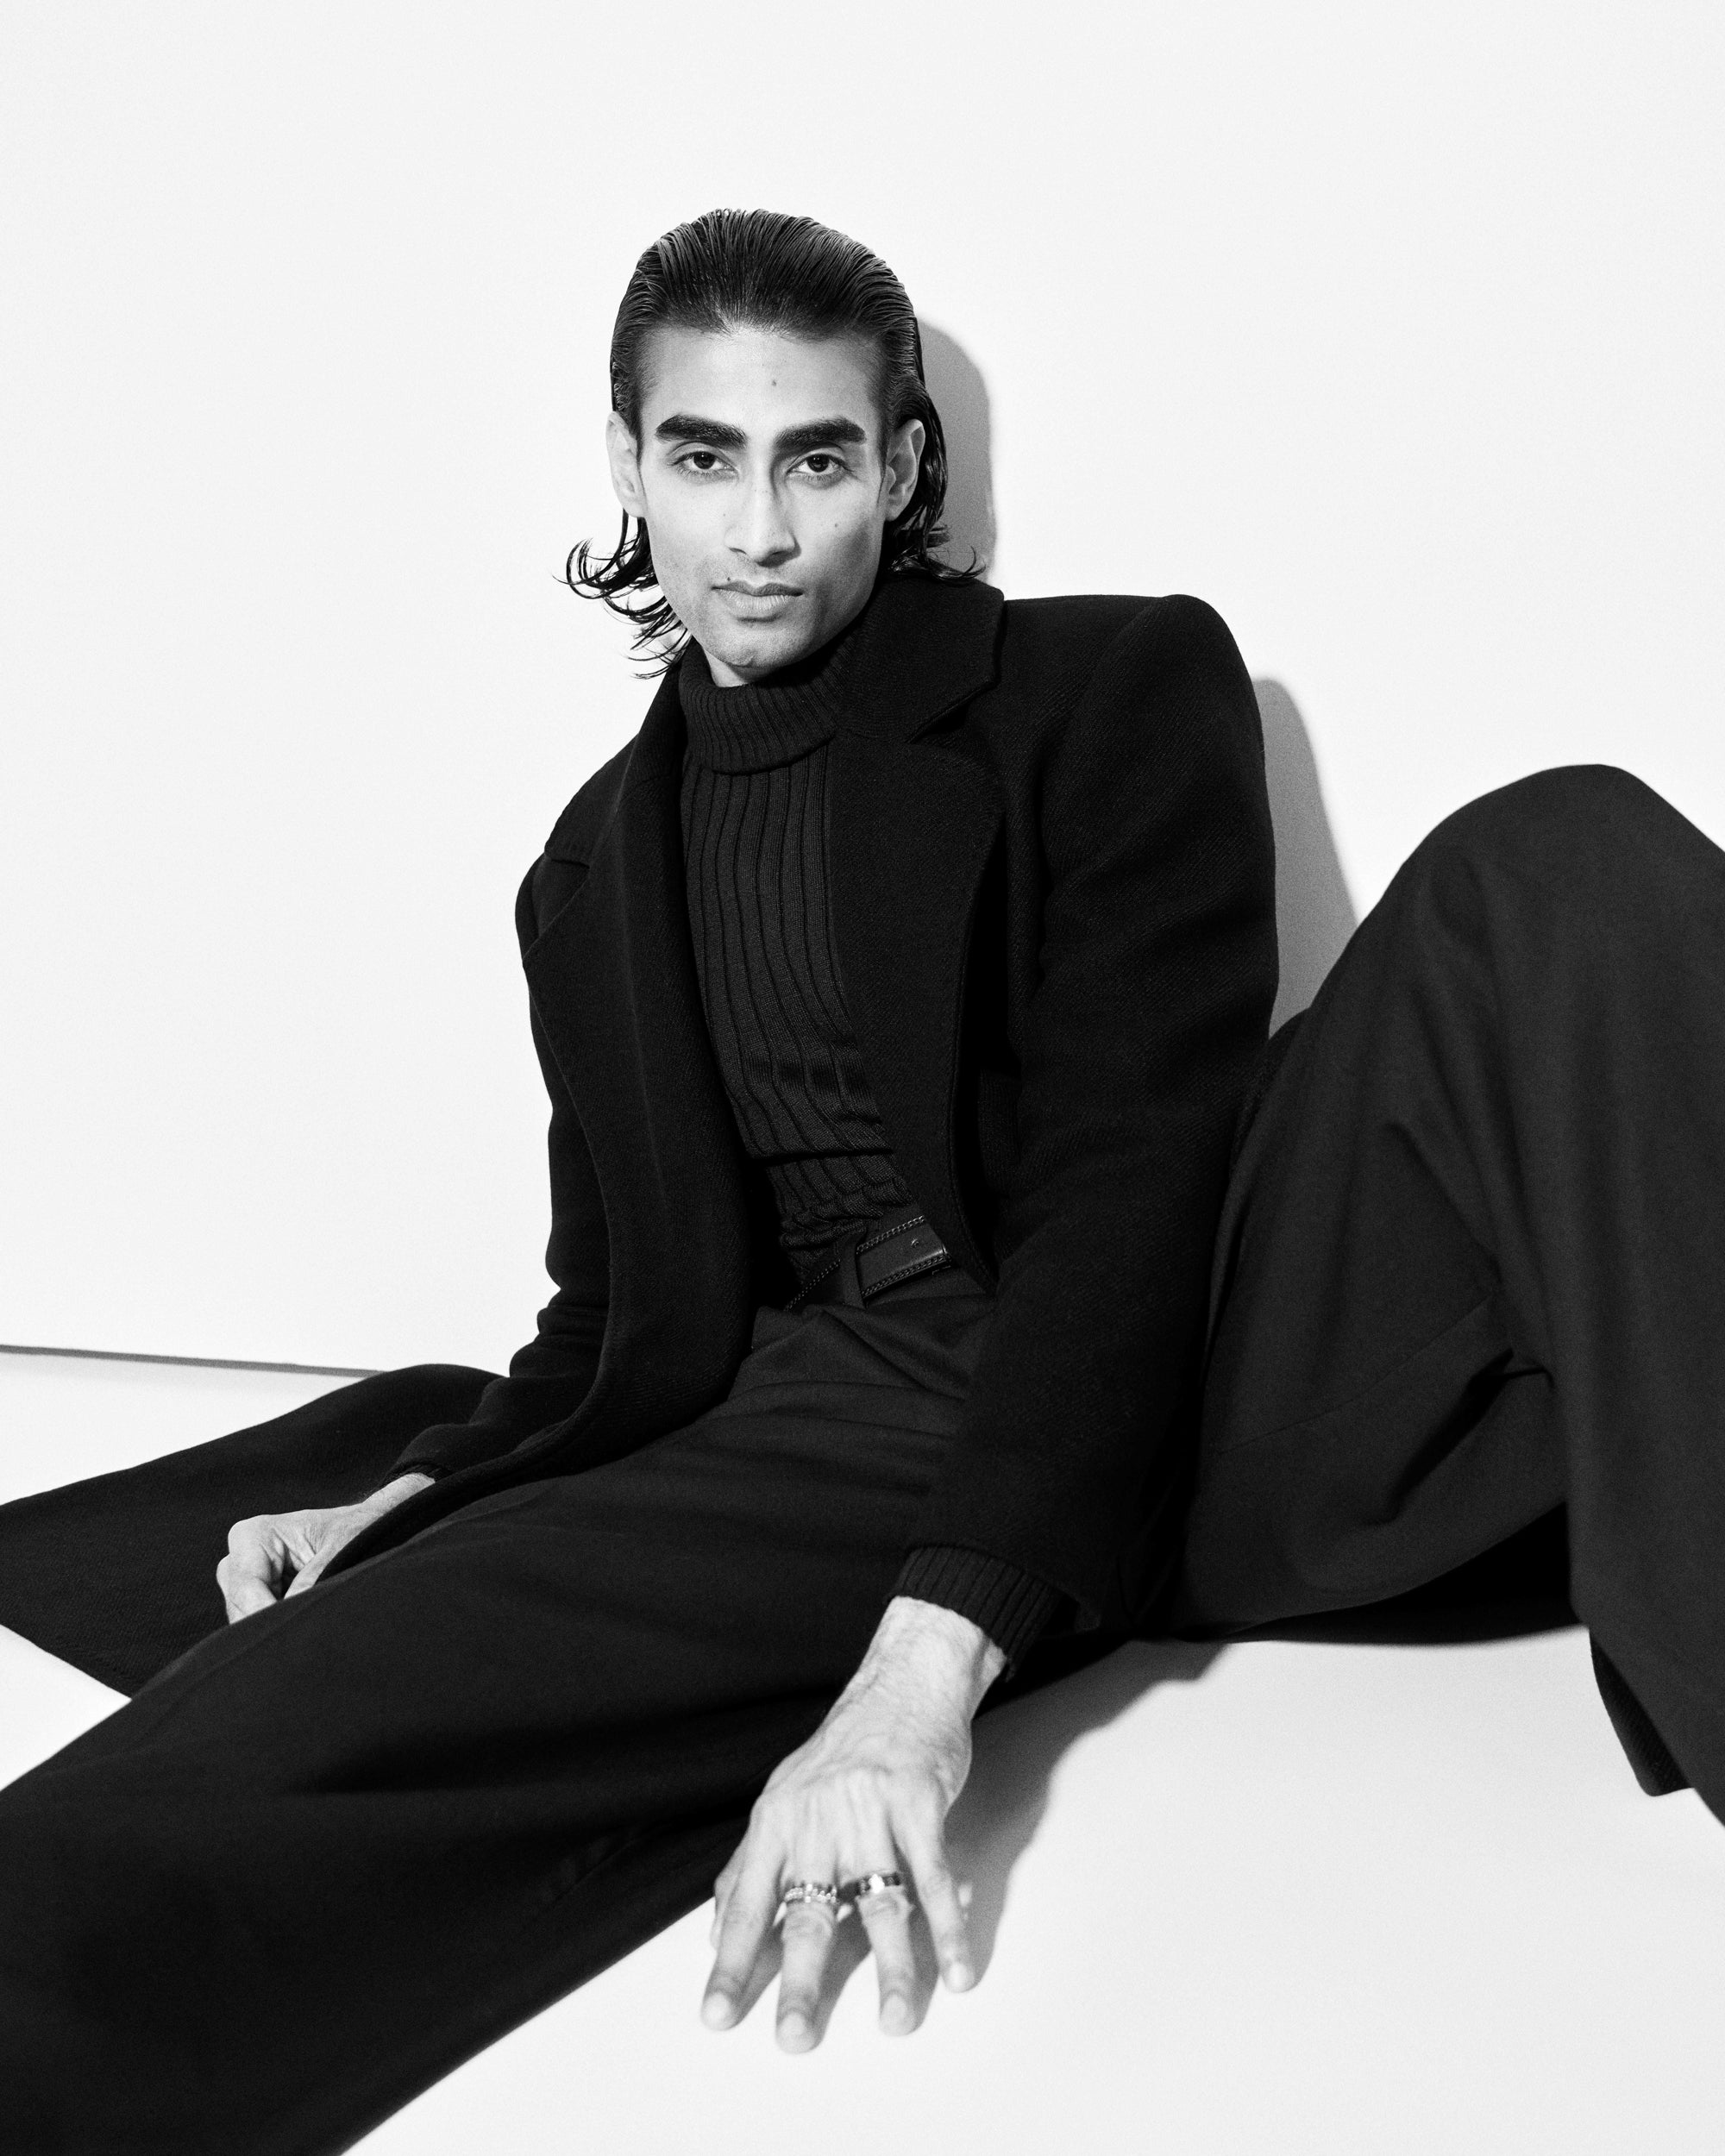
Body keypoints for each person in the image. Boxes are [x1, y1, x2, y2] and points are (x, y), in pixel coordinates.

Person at [0, 206, 1716, 2153]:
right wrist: (414, 1497)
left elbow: (1134, 1173)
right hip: (839, 1412)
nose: (758, 530)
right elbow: (606, 1311)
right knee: (286, 1716)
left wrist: (916, 1677)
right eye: (702, 457)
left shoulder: (1108, 682)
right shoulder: (589, 871)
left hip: (1198, 1336)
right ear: (629, 467)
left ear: (899, 469)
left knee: (1555, 861)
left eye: (815, 460)